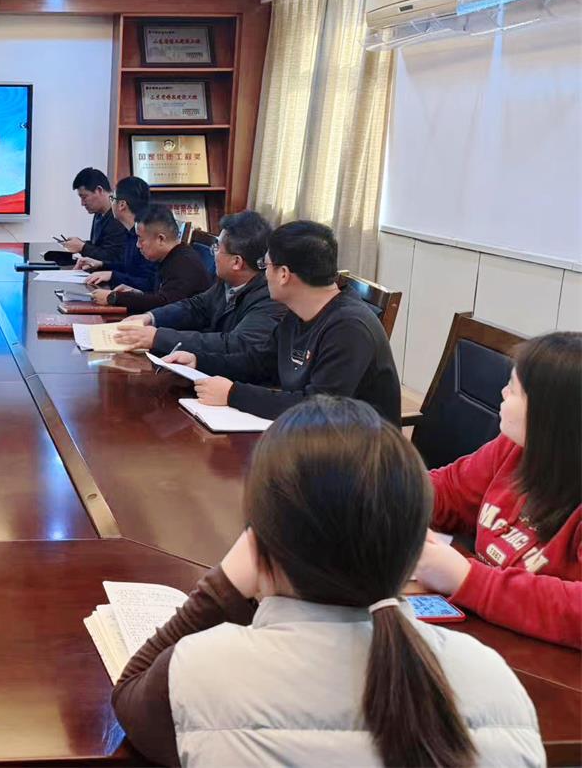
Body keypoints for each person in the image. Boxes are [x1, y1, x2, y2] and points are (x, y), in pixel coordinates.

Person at [112, 395, 542, 767]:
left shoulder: (201, 673)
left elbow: (130, 694)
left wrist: (223, 585)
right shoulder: (494, 680)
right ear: (414, 550)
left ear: (259, 544)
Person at [416, 331, 581, 649]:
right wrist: (383, 491)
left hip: (545, 662)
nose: (503, 392)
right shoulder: (512, 448)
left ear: (550, 417)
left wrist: (467, 578)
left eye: (514, 389)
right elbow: (449, 491)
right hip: (483, 632)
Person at [163, 221, 400, 424]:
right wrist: (199, 361)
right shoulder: (298, 311)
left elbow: (318, 408)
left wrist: (233, 394)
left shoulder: (349, 328)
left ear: (284, 274)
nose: (264, 274)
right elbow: (261, 362)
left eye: (266, 266)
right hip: (307, 437)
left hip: (359, 451)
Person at [113, 211, 285, 355]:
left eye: (217, 248)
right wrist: (151, 317)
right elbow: (196, 307)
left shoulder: (269, 299)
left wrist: (158, 337)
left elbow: (233, 344)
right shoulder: (227, 281)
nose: (213, 253)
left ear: (236, 262)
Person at [96, 205, 210, 312]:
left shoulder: (184, 264)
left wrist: (115, 297)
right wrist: (138, 294)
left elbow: (164, 304)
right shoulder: (169, 256)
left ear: (160, 239)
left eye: (141, 239)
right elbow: (158, 294)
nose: (138, 245)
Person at [76, 176, 156, 301]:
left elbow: (148, 283)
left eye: (113, 199)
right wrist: (101, 264)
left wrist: (113, 275)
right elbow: (128, 266)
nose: (111, 203)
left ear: (122, 205)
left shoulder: (144, 238)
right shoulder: (130, 232)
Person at [57, 167, 124, 265]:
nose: (82, 203)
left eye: (84, 197)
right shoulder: (98, 213)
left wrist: (82, 247)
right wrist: (80, 243)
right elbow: (99, 246)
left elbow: (113, 257)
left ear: (99, 190)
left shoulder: (119, 215)